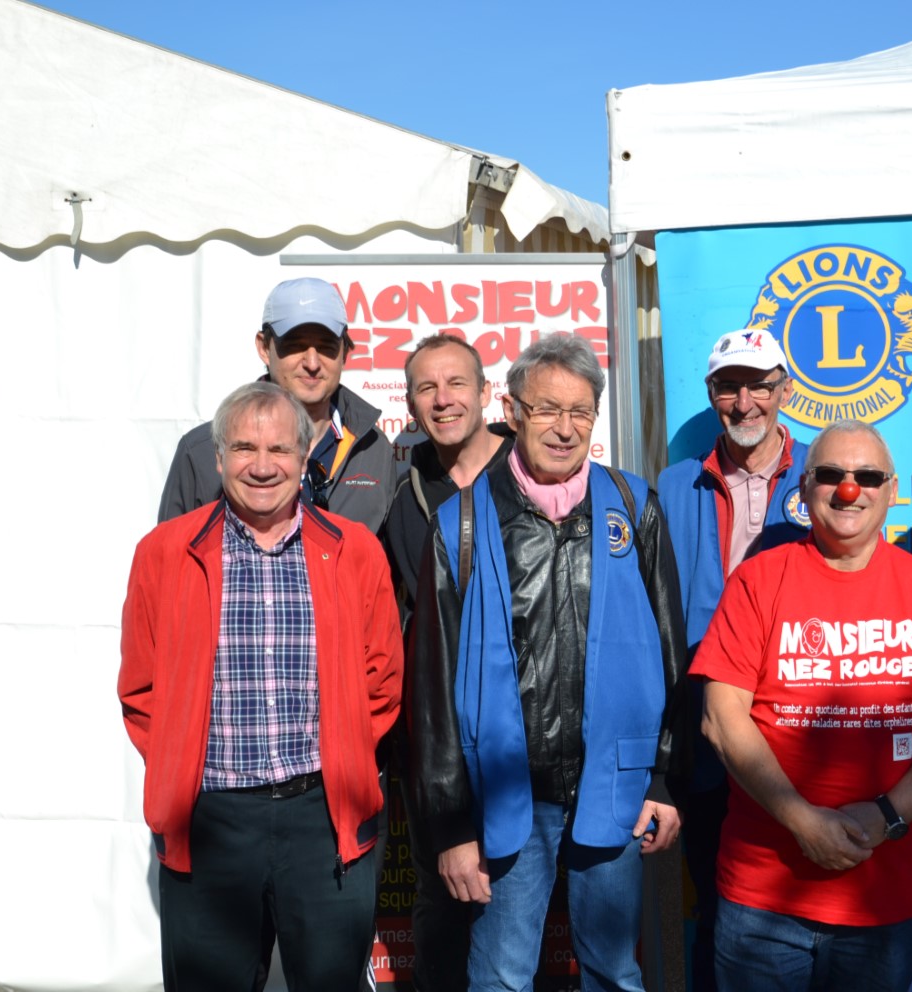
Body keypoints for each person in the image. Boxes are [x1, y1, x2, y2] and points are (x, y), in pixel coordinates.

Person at [407, 332, 688, 992]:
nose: (565, 429)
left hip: (614, 788)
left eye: (581, 412)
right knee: (501, 978)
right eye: (548, 409)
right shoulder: (462, 521)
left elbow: (670, 652)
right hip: (508, 797)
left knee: (616, 972)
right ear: (512, 410)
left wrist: (663, 777)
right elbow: (431, 689)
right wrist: (448, 826)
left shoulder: (636, 505)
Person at [119, 381, 403, 991]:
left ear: (306, 459)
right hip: (212, 819)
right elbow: (141, 690)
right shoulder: (165, 553)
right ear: (218, 458)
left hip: (325, 819)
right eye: (244, 448)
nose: (263, 465)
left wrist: (346, 757)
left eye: (280, 448)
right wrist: (182, 769)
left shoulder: (354, 552)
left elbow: (382, 682)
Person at [692, 420, 912, 992]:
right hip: (763, 902)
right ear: (804, 490)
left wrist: (886, 818)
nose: (848, 489)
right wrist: (802, 822)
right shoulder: (758, 581)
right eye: (830, 475)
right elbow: (720, 716)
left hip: (883, 903)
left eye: (867, 476)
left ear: (892, 489)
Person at [656, 328, 811, 991]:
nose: (744, 401)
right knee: (721, 914)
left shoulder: (825, 473)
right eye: (728, 385)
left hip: (805, 737)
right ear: (711, 394)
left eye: (758, 385)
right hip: (707, 738)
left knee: (812, 916)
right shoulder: (670, 486)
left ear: (786, 389)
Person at [379, 333, 512, 991]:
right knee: (441, 908)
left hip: (528, 734)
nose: (444, 399)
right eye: (427, 388)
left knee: (526, 915)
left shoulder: (532, 476)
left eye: (457, 383)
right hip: (441, 746)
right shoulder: (406, 502)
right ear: (410, 405)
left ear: (486, 394)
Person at [158, 276, 396, 533]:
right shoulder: (202, 450)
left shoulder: (374, 449)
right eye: (296, 346)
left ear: (345, 352)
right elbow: (170, 561)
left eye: (326, 346)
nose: (312, 363)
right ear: (264, 347)